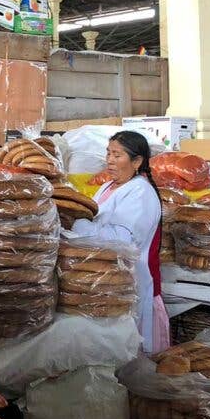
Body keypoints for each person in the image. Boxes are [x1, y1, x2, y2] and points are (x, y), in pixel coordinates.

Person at [68, 130, 170, 352]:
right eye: (108, 154)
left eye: (117, 155)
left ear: (137, 161)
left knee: (130, 347)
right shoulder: (108, 186)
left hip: (130, 280)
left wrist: (75, 226)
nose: (110, 161)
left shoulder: (140, 191)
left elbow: (122, 240)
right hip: (106, 278)